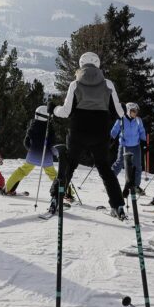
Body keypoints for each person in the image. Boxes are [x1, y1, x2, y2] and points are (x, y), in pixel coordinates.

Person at [47, 52, 126, 219]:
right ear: (97, 65)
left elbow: (66, 111)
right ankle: (118, 205)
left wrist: (53, 109)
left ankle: (56, 198)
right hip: (100, 130)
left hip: (78, 129)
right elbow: (119, 113)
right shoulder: (108, 84)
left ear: (81, 65)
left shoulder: (75, 84)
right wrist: (123, 108)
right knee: (105, 168)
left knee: (69, 164)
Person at [2, 105, 58, 196]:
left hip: (33, 154)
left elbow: (26, 142)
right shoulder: (50, 129)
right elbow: (52, 143)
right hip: (46, 155)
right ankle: (68, 193)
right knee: (54, 175)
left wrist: (31, 149)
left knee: (21, 171)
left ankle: (7, 188)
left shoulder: (32, 126)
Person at [110, 102, 147, 197]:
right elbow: (115, 130)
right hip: (124, 145)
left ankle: (135, 186)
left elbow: (142, 131)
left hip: (136, 145)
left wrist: (144, 142)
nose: (135, 113)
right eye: (133, 111)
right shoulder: (121, 119)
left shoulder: (138, 120)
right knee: (119, 163)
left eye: (136, 111)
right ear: (128, 111)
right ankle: (110, 180)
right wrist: (110, 138)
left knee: (137, 166)